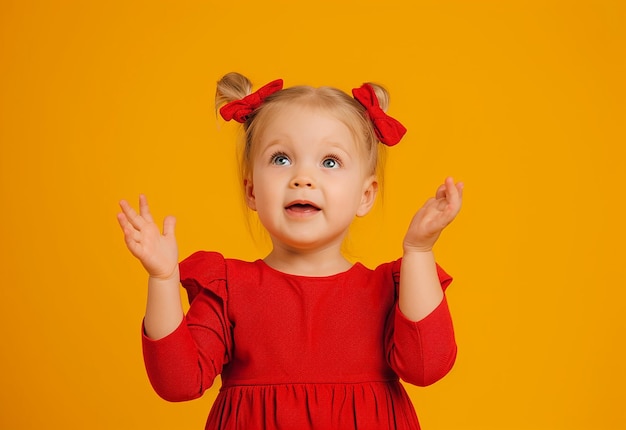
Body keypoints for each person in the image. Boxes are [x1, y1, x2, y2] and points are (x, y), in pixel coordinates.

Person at [117, 72, 463, 430]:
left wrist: (419, 251)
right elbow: (178, 383)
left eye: (330, 162)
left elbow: (427, 367)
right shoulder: (227, 288)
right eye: (281, 159)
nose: (303, 178)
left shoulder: (390, 289)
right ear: (251, 190)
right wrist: (162, 278)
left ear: (365, 195)